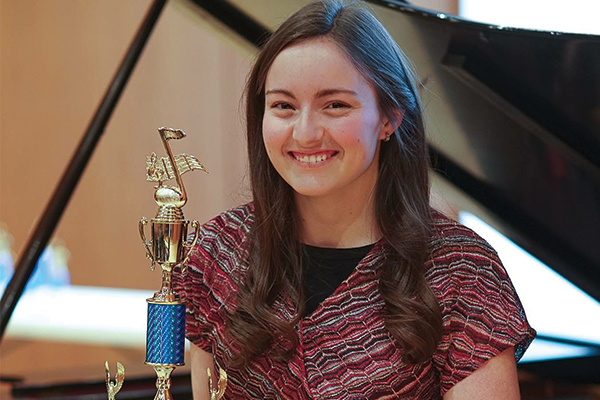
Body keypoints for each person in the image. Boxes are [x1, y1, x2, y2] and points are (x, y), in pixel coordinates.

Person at [173, 1, 535, 398]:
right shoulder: (219, 251)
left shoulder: (461, 270)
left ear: (389, 117)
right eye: (283, 106)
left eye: (336, 105)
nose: (306, 132)